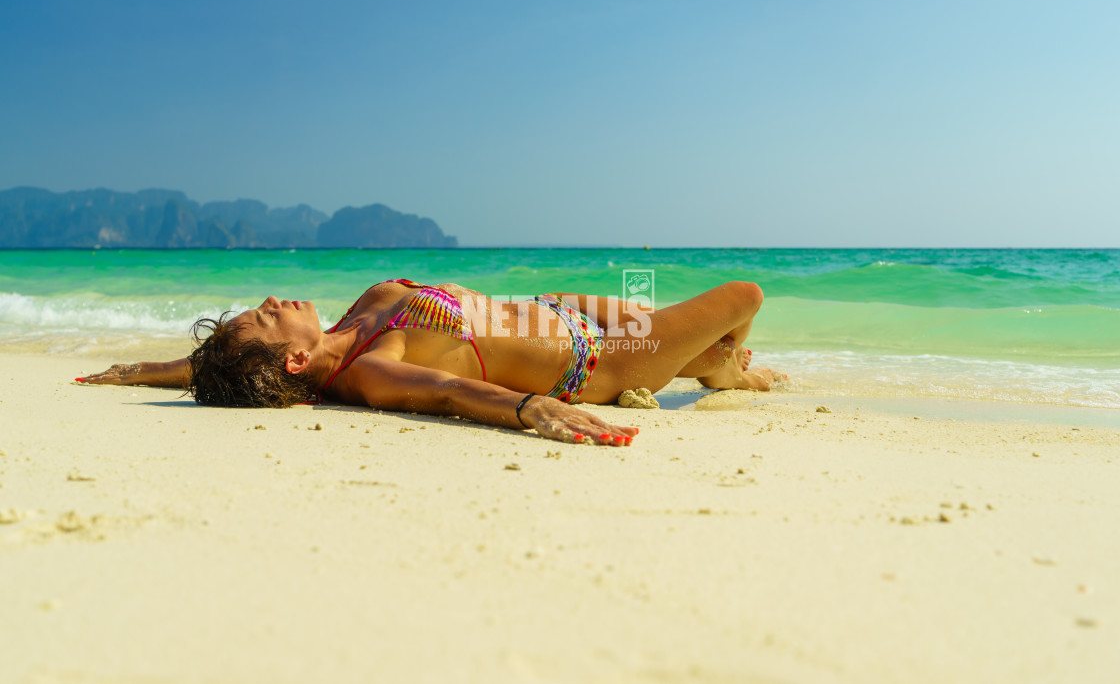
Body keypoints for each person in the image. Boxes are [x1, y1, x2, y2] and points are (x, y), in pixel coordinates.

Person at [77, 279, 780, 447]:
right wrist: (529, 409)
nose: (268, 298)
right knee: (743, 297)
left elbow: (230, 369)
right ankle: (722, 372)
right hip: (606, 356)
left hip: (566, 305)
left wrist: (145, 370)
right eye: (263, 316)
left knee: (715, 334)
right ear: (294, 358)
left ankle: (714, 366)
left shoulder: (367, 305)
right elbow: (445, 391)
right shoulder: (372, 371)